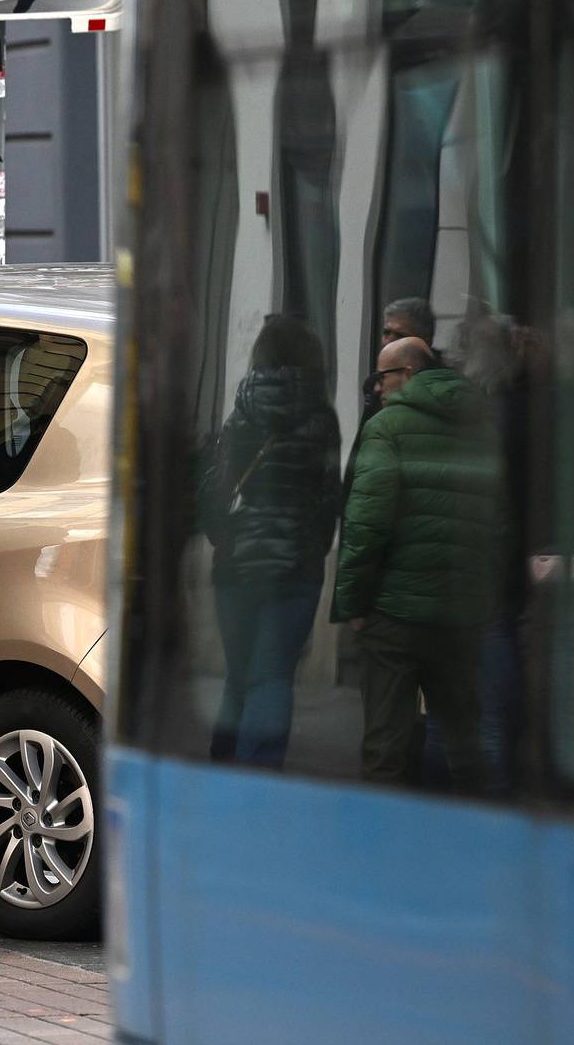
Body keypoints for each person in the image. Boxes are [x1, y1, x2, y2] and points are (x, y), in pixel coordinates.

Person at [334, 336, 503, 791]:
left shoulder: (387, 427)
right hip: (461, 614)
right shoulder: (482, 426)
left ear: (408, 374)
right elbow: (496, 520)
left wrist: (352, 603)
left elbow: (366, 524)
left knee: (386, 747)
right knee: (464, 741)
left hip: (396, 614)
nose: (376, 389)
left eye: (381, 377)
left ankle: (382, 844)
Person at [200, 315, 340, 767]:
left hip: (237, 567)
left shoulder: (242, 411)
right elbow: (328, 496)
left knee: (239, 676)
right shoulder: (323, 416)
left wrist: (225, 538)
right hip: (296, 568)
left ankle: (223, 766)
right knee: (273, 677)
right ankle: (258, 773)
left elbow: (219, 488)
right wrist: (313, 548)